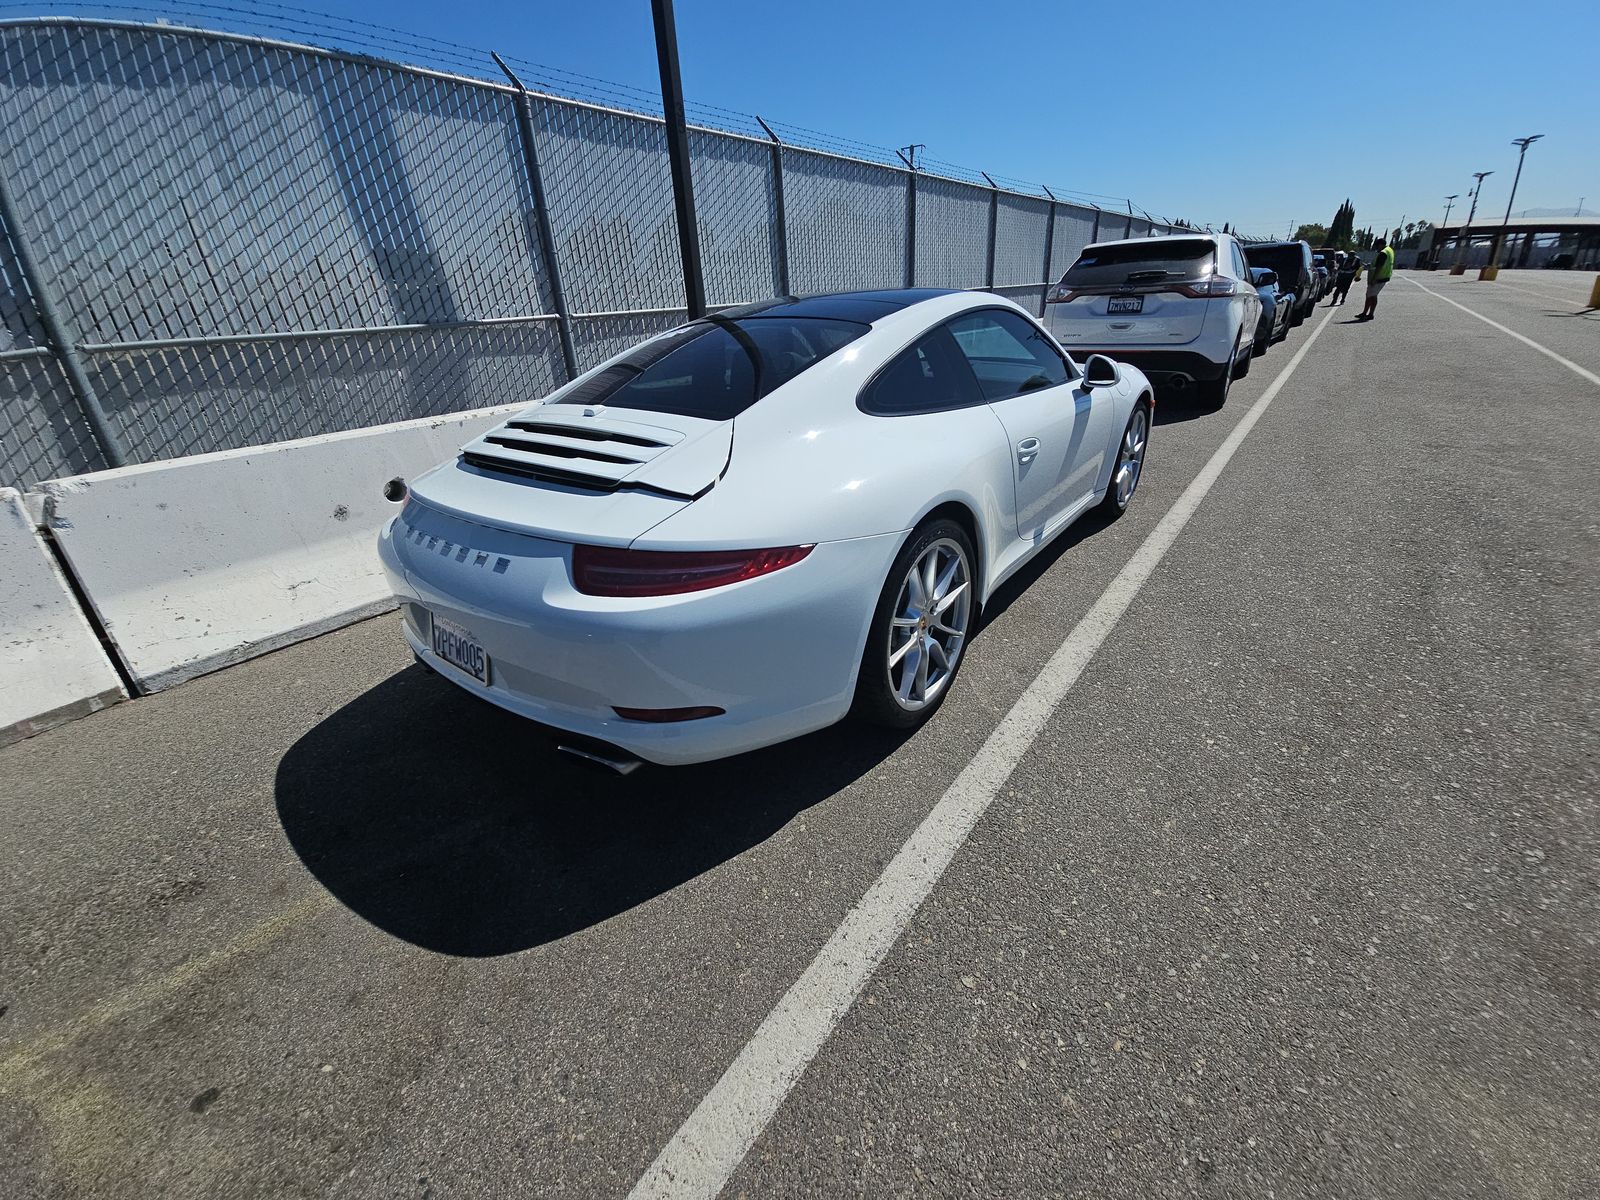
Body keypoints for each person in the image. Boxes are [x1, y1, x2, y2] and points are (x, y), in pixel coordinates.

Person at [1358, 238, 1395, 320]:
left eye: (1377, 246)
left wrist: (1374, 279)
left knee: (1371, 296)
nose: (1376, 248)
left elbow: (1379, 267)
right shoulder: (1389, 250)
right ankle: (1366, 313)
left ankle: (1369, 314)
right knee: (1371, 295)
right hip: (1383, 277)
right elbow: (1377, 264)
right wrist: (1370, 265)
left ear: (1381, 245)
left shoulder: (1383, 253)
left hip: (1378, 278)